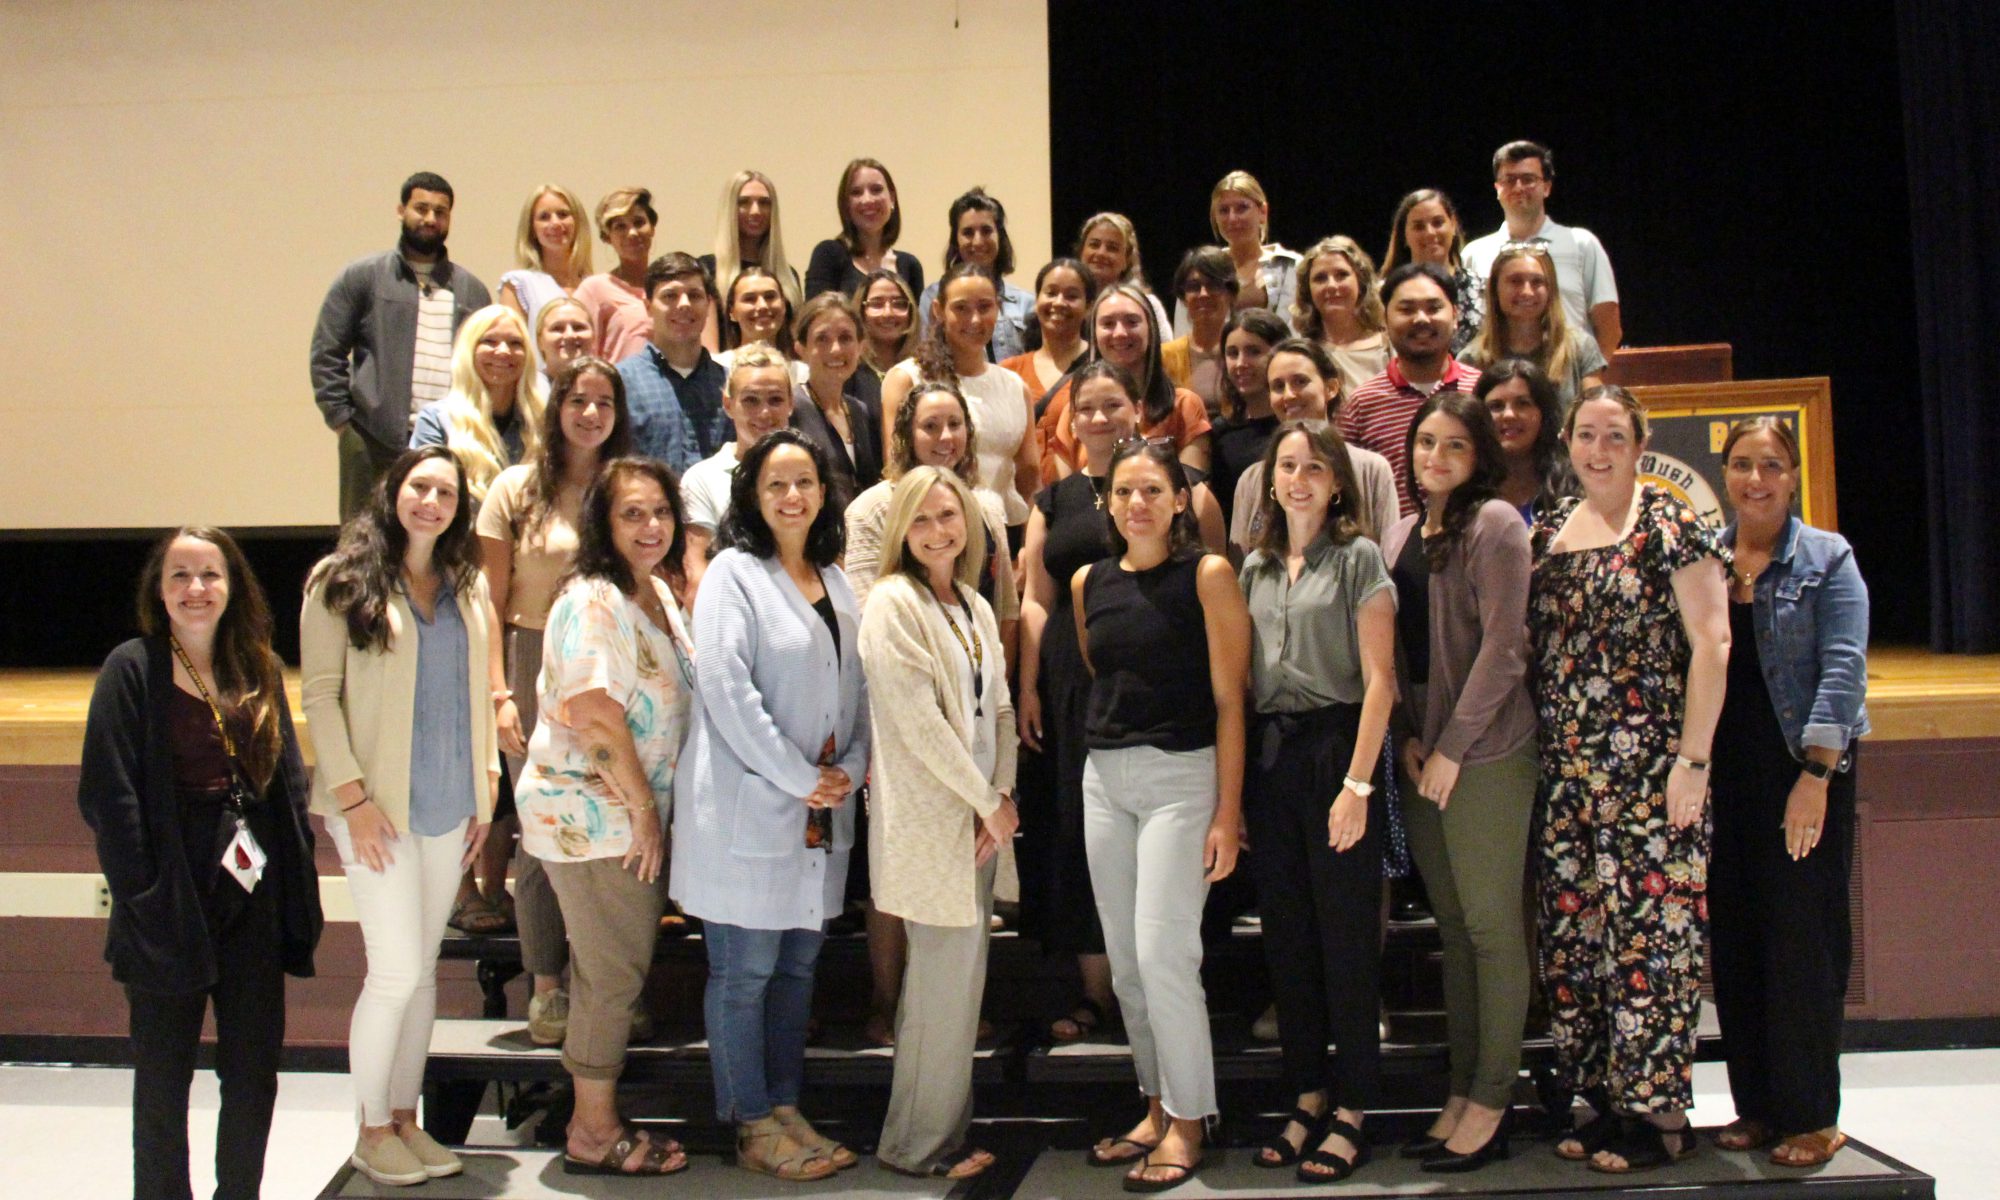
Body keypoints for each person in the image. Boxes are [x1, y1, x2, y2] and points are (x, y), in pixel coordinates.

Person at [79, 528, 323, 1200]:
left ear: (232, 585)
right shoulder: (132, 669)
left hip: (250, 896)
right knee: (162, 1081)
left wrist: (295, 896)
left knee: (253, 1075)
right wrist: (146, 894)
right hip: (168, 897)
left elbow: (286, 789)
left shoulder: (260, 667)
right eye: (180, 576)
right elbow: (108, 794)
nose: (195, 589)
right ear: (159, 592)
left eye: (209, 575)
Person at [1529, 386, 1730, 1174]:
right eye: (1586, 434)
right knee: (1578, 944)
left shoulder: (1674, 526)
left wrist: (1693, 761)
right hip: (1568, 774)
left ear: (1640, 442)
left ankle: (1661, 1117)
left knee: (1652, 942)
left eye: (1615, 434)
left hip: (1652, 773)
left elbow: (1712, 645)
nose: (1599, 449)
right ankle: (1608, 1101)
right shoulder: (1549, 532)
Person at [670, 430, 870, 1182]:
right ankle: (749, 1120)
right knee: (745, 971)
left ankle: (784, 1107)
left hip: (820, 810)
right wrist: (796, 775)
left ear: (824, 493)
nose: (793, 496)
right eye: (777, 484)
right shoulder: (732, 573)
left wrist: (851, 764)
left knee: (796, 970)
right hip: (751, 803)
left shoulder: (834, 578)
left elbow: (856, 688)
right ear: (752, 495)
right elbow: (726, 690)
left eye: (806, 483)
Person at [300, 446, 498, 1187]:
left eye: (446, 492)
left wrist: (484, 794)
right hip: (375, 812)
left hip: (449, 808)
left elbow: (479, 691)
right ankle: (370, 1128)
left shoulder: (465, 586)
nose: (432, 502)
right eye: (420, 486)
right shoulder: (340, 581)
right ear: (394, 492)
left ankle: (405, 1118)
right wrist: (352, 800)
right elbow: (320, 695)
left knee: (421, 977)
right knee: (391, 973)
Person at [1074, 439, 1249, 1192]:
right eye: (1123, 492)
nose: (1136, 503)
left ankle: (1189, 1120)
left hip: (1184, 776)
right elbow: (1097, 674)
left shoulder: (1207, 574)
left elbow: (1231, 699)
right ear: (1107, 503)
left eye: (1152, 490)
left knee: (1165, 956)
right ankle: (1153, 1105)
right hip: (1103, 778)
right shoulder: (1089, 581)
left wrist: (1228, 811)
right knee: (1128, 967)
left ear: (1181, 500)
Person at [513, 456, 695, 1178]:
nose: (651, 526)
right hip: (595, 817)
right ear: (602, 523)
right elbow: (593, 713)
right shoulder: (593, 598)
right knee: (610, 977)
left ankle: (595, 1116)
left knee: (612, 973)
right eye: (632, 514)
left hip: (624, 813)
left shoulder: (652, 590)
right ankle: (591, 1132)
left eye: (660, 512)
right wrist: (644, 812)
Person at [1380, 394, 1539, 1173]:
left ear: (1480, 454)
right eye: (1424, 443)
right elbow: (1398, 653)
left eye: (1452, 445)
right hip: (1422, 757)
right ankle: (1461, 1089)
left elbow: (1506, 651)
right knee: (1452, 933)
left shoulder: (1498, 525)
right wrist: (1410, 739)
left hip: (1485, 757)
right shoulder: (1404, 533)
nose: (1434, 456)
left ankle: (1493, 1098)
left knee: (1490, 929)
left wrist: (1450, 747)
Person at [1237, 420, 1396, 1184]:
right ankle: (1306, 1094)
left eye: (1314, 468)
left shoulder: (1358, 558)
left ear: (1338, 483)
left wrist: (1357, 787)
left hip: (1339, 750)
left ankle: (1355, 1106)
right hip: (1273, 756)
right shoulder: (1255, 567)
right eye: (1287, 466)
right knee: (1288, 940)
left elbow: (1382, 684)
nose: (1298, 478)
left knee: (1344, 941)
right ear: (1271, 480)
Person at [1709, 417, 1869, 1170]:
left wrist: (1817, 774)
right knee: (1739, 942)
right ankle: (1758, 1106)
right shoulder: (1706, 562)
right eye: (1741, 464)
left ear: (1793, 474)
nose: (1755, 479)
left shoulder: (1827, 559)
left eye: (1770, 464)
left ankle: (1811, 1114)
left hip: (1799, 771)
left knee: (1803, 944)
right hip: (1725, 779)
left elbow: (1843, 668)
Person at [844, 380, 1021, 1045]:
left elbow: (1001, 610)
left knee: (963, 893)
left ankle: (945, 1019)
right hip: (905, 713)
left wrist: (995, 780)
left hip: (974, 694)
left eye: (954, 426)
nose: (942, 437)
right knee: (906, 877)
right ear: (906, 434)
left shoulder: (985, 508)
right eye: (929, 426)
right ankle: (891, 1007)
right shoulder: (873, 510)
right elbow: (876, 622)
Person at [860, 466, 1018, 1181]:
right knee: (935, 994)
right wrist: (987, 801)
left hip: (984, 818)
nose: (937, 531)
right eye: (919, 520)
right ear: (900, 532)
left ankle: (943, 1135)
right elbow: (918, 724)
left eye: (947, 515)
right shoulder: (893, 602)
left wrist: (1003, 794)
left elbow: (1005, 711)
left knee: (959, 990)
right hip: (934, 821)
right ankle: (914, 1144)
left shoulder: (976, 608)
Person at [475, 356, 633, 1046]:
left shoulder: (624, 487)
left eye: (604, 402)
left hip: (610, 661)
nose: (591, 413)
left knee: (614, 822)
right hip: (531, 656)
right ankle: (547, 986)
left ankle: (607, 983)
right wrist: (500, 695)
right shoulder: (515, 489)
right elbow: (486, 600)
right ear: (557, 408)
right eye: (579, 400)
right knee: (543, 833)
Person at [311, 171, 492, 521]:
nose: (430, 219)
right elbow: (327, 351)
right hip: (370, 440)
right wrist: (342, 422)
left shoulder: (472, 290)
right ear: (401, 210)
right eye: (421, 208)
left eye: (441, 212)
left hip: (447, 441)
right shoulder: (363, 277)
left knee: (444, 545)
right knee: (363, 543)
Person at [881, 264, 1038, 538]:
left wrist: (1027, 547)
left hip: (1002, 534)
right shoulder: (906, 379)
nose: (975, 320)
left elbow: (1029, 475)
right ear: (939, 311)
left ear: (998, 308)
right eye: (962, 308)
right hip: (933, 536)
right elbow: (897, 470)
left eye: (984, 307)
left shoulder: (1015, 386)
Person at [1229, 337, 1400, 556]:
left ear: (1331, 387)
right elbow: (1241, 570)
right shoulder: (1251, 480)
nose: (1289, 395)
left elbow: (1389, 559)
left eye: (1300, 381)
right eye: (1278, 386)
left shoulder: (1372, 470)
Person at [1342, 263, 1481, 517]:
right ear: (1384, 319)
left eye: (1433, 308)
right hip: (1393, 551)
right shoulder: (1361, 404)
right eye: (1406, 309)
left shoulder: (1481, 391)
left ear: (1456, 315)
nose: (1421, 319)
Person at [1038, 284, 1213, 484]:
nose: (1120, 333)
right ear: (1094, 334)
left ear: (1151, 328)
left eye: (1131, 322)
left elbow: (1192, 496)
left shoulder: (1184, 405)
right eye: (1108, 324)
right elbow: (1066, 499)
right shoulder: (1074, 411)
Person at [1462, 141, 1621, 355]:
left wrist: (1588, 379)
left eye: (1528, 179)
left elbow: (1609, 328)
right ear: (1497, 189)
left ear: (1546, 187)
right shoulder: (1474, 253)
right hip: (1498, 381)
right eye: (1509, 180)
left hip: (1568, 382)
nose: (1518, 187)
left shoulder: (1581, 244)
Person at [680, 342, 795, 594]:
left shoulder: (810, 473)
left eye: (775, 400)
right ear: (728, 404)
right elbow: (696, 576)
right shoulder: (701, 479)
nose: (764, 413)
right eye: (751, 400)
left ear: (791, 403)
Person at [410, 304, 545, 506]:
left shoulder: (544, 421)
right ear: (469, 350)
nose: (503, 351)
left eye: (515, 343)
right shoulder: (436, 419)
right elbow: (422, 496)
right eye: (489, 341)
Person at [618, 252, 729, 473]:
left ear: (708, 304)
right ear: (648, 306)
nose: (684, 304)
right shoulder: (620, 383)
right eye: (670, 296)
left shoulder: (730, 384)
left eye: (694, 295)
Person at [1462, 243, 1607, 408]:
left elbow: (1596, 414)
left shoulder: (1581, 348)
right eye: (1515, 281)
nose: (1527, 292)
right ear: (1495, 291)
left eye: (1537, 282)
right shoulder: (1471, 359)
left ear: (1550, 290)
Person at [1173, 170, 1301, 336]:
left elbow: (1299, 332)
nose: (1232, 218)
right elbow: (1184, 334)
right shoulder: (1199, 270)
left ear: (1262, 212)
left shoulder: (1291, 267)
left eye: (1242, 208)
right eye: (1224, 210)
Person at [917, 187, 1035, 360]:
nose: (978, 241)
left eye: (986, 231)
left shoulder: (1026, 303)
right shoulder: (933, 296)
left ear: (1000, 236)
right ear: (956, 239)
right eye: (968, 232)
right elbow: (926, 357)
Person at [793, 292, 884, 506]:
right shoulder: (792, 408)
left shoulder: (860, 411)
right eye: (822, 339)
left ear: (861, 347)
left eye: (845, 338)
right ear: (801, 349)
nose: (835, 349)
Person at [701, 169, 802, 349]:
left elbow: (793, 345)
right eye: (744, 202)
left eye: (764, 203)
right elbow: (710, 351)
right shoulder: (706, 270)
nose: (755, 211)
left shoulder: (787, 275)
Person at [1208, 307, 1288, 527]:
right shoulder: (1219, 433)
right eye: (1232, 353)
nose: (1241, 363)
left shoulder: (1296, 428)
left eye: (1254, 351)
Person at [805, 157, 923, 299]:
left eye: (876, 190)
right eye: (856, 192)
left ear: (892, 198)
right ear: (846, 204)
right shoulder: (828, 255)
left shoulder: (910, 265)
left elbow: (915, 320)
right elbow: (817, 317)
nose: (867, 200)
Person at [1382, 188, 1483, 354]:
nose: (1430, 233)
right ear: (1404, 235)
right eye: (1419, 226)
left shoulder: (1482, 289)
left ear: (1453, 226)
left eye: (1437, 223)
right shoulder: (1384, 294)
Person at [1292, 236, 1389, 399]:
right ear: (1307, 290)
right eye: (1320, 278)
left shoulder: (1390, 347)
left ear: (1361, 282)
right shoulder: (1300, 353)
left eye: (1341, 275)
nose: (1331, 285)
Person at [1475, 357, 1571, 520]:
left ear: (1544, 413)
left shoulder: (1572, 485)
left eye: (1523, 403)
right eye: (1496, 406)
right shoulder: (1465, 490)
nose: (1509, 415)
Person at [573, 187, 658, 366]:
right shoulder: (594, 290)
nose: (632, 233)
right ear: (607, 237)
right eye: (620, 226)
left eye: (639, 222)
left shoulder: (667, 289)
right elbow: (581, 357)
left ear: (652, 228)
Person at [999, 257, 1096, 401]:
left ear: (1088, 307)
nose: (1059, 302)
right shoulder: (1009, 371)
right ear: (1037, 300)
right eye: (1051, 293)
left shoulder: (1099, 365)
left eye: (1071, 296)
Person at [498, 183, 592, 331]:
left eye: (563, 214)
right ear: (532, 229)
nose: (555, 223)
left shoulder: (594, 286)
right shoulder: (519, 285)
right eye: (544, 217)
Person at [1160, 246, 1238, 420]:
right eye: (1194, 287)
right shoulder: (1164, 356)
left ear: (1231, 294)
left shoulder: (1244, 353)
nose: (1203, 294)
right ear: (1183, 297)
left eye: (1214, 285)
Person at [1074, 211, 1173, 330]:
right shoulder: (1066, 301)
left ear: (1126, 260)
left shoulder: (1147, 305)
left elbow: (1164, 348)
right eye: (1094, 245)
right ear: (1081, 252)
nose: (1101, 253)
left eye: (1112, 248)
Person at [855, 267, 922, 382]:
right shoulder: (848, 368)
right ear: (861, 311)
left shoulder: (925, 369)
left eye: (899, 304)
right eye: (876, 304)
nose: (888, 313)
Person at [534, 295, 597, 385]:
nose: (569, 335)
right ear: (539, 341)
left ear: (594, 337)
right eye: (557, 328)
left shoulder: (608, 387)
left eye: (578, 327)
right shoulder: (526, 391)